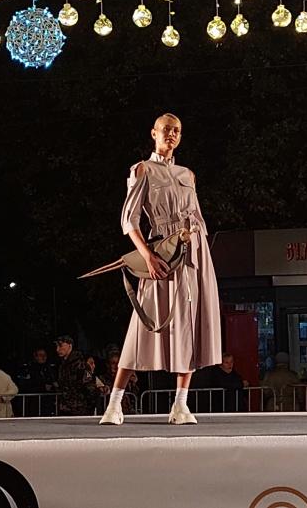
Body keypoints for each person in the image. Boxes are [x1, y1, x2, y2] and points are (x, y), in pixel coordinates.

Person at [100, 113, 222, 426]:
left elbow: (197, 216)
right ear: (154, 133)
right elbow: (129, 220)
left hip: (194, 252)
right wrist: (148, 256)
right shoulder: (143, 169)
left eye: (177, 130)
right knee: (144, 322)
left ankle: (180, 405)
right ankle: (114, 404)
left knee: (190, 323)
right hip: (163, 251)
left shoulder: (187, 174)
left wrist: (201, 255)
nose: (172, 134)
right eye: (166, 129)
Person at [55, 335, 99, 416]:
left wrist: (90, 405)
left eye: (60, 346)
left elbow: (89, 384)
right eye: (57, 346)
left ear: (70, 346)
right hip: (67, 407)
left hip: (80, 408)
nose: (58, 349)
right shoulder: (63, 365)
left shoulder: (80, 364)